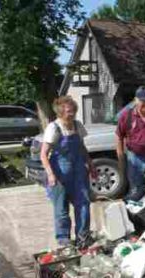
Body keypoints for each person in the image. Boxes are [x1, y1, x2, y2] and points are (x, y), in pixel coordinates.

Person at [40, 96, 95, 247]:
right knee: (61, 208)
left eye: (73, 110)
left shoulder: (77, 126)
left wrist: (90, 165)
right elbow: (43, 154)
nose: (72, 114)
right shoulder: (54, 128)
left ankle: (83, 236)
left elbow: (82, 148)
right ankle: (63, 238)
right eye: (69, 111)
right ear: (60, 112)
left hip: (78, 172)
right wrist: (51, 175)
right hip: (59, 173)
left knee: (83, 204)